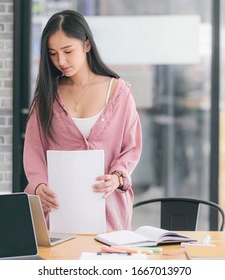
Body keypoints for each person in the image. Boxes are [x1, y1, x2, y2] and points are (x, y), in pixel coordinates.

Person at [23, 10, 142, 231]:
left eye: (68, 51)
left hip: (108, 210)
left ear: (87, 45)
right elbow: (34, 150)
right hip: (59, 209)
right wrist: (38, 185)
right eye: (52, 53)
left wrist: (117, 177)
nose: (61, 61)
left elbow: (132, 147)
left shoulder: (118, 91)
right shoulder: (47, 96)